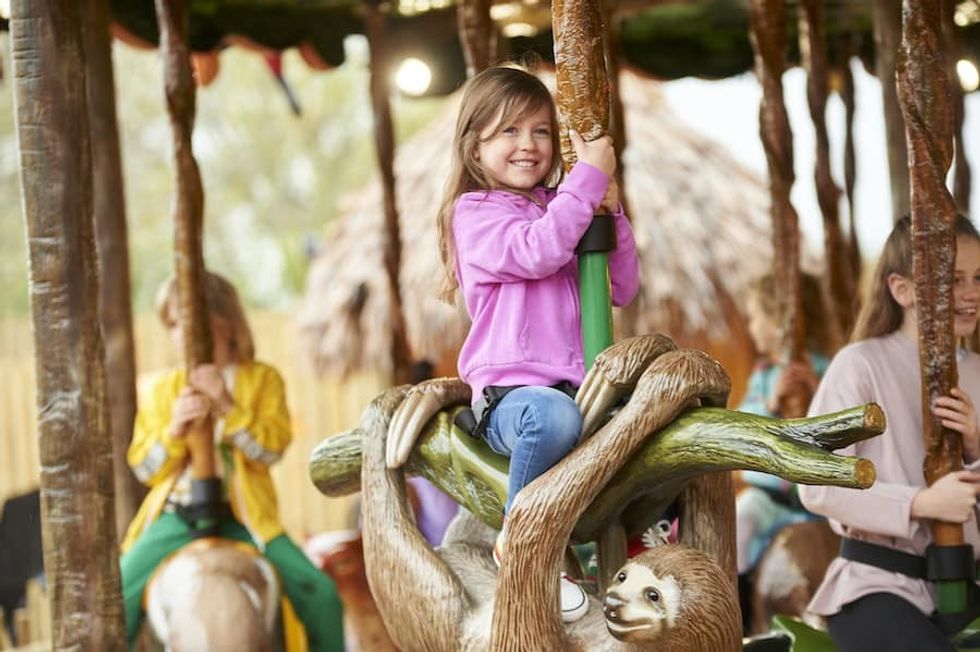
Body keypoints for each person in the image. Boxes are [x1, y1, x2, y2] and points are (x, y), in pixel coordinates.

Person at [435, 65, 640, 623]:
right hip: (515, 398)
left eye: (542, 131)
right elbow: (538, 251)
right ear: (475, 146)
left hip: (585, 388)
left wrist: (611, 211)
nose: (529, 145)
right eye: (509, 131)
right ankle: (524, 547)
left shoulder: (564, 209)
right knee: (551, 419)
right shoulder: (475, 214)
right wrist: (587, 182)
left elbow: (621, 286)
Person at [120, 272, 344, 652]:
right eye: (172, 325)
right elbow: (143, 467)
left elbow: (270, 450)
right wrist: (174, 432)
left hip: (245, 519)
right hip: (177, 517)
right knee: (115, 595)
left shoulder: (262, 380)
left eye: (188, 321)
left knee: (321, 594)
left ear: (224, 320)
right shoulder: (162, 389)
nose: (179, 334)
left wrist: (227, 406)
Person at [799, 215, 980, 652]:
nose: (971, 293)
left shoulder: (976, 371)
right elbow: (816, 479)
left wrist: (975, 445)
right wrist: (919, 503)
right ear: (902, 290)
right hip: (878, 585)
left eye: (977, 278)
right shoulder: (860, 365)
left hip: (965, 580)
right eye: (953, 280)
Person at [735, 273, 832, 589]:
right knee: (738, 524)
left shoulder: (828, 369)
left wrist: (819, 395)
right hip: (769, 499)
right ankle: (740, 603)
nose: (751, 327)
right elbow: (741, 426)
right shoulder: (763, 378)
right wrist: (771, 405)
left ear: (777, 320)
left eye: (754, 318)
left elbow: (842, 419)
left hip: (820, 503)